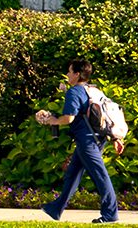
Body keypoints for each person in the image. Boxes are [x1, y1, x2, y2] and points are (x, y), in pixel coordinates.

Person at [35, 58, 120, 223]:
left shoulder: (74, 92)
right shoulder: (94, 90)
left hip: (87, 141)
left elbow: (68, 118)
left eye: (69, 71)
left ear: (77, 74)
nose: (67, 74)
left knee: (100, 176)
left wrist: (53, 121)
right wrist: (114, 137)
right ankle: (56, 208)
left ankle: (110, 214)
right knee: (73, 174)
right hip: (97, 138)